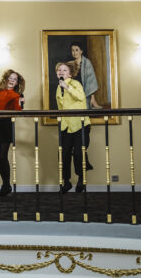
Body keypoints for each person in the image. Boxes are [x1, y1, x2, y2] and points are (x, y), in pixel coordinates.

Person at [0, 67, 25, 196]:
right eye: (10, 78)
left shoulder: (17, 95)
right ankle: (5, 184)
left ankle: (6, 184)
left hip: (6, 125)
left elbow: (18, 111)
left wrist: (21, 103)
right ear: (6, 79)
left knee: (3, 156)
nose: (12, 80)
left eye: (15, 79)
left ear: (17, 83)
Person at [55, 62, 91, 193]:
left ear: (70, 73)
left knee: (78, 153)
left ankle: (81, 180)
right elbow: (60, 107)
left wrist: (67, 87)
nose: (61, 72)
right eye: (59, 70)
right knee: (63, 154)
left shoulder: (75, 84)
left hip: (80, 125)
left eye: (64, 70)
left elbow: (81, 96)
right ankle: (66, 182)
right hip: (66, 125)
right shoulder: (58, 88)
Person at [70, 42, 101, 109]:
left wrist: (93, 98)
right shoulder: (71, 64)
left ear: (81, 51)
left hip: (84, 93)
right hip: (73, 93)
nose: (74, 53)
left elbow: (91, 82)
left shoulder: (87, 63)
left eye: (76, 50)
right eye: (72, 50)